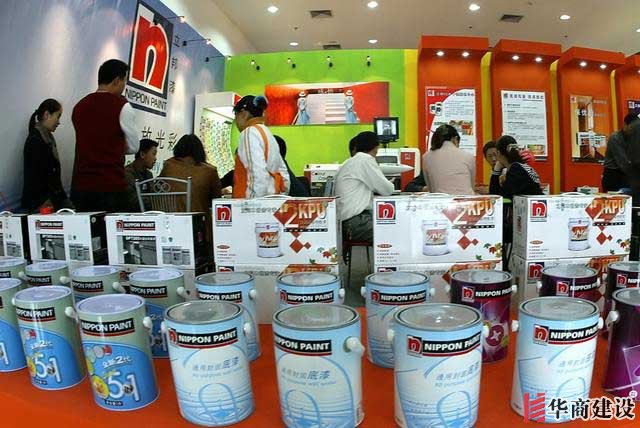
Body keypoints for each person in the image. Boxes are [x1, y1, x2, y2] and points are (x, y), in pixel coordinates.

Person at [71, 59, 139, 212]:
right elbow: (134, 147)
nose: (124, 86)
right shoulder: (122, 106)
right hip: (110, 186)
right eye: (124, 81)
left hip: (81, 186)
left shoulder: (79, 106)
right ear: (117, 81)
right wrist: (114, 147)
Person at [333, 131, 395, 242]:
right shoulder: (365, 160)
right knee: (396, 230)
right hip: (356, 222)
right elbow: (387, 190)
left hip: (345, 222)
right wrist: (390, 183)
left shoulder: (349, 162)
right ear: (376, 147)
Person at [232, 95, 290, 198]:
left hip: (252, 203)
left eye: (235, 115)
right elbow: (284, 174)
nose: (236, 121)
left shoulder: (248, 133)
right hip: (271, 200)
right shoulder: (266, 132)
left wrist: (254, 203)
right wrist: (278, 198)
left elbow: (257, 173)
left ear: (244, 114)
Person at [21, 99, 73, 212]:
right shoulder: (36, 140)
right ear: (46, 115)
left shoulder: (46, 138)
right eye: (58, 116)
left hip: (51, 199)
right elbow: (35, 177)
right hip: (41, 203)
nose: (58, 122)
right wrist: (46, 202)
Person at [160, 134, 222, 213]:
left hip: (168, 217)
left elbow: (158, 189)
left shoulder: (168, 165)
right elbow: (216, 199)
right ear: (200, 150)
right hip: (198, 218)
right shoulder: (209, 171)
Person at [422, 124, 475, 194]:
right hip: (466, 199)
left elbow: (431, 188)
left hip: (440, 199)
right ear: (455, 139)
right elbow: (471, 185)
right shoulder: (468, 156)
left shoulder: (426, 157)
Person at [489, 135, 543, 199]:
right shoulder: (519, 166)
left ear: (498, 153)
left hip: (534, 204)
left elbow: (499, 197)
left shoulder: (516, 168)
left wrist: (496, 170)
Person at [602, 113, 640, 192]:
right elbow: (623, 162)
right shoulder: (615, 138)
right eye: (632, 127)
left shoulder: (633, 138)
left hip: (626, 175)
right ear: (625, 125)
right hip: (613, 174)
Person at [124, 139, 158, 211]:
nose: (155, 158)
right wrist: (154, 200)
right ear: (142, 154)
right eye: (153, 154)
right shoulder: (127, 173)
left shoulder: (149, 175)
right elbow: (133, 201)